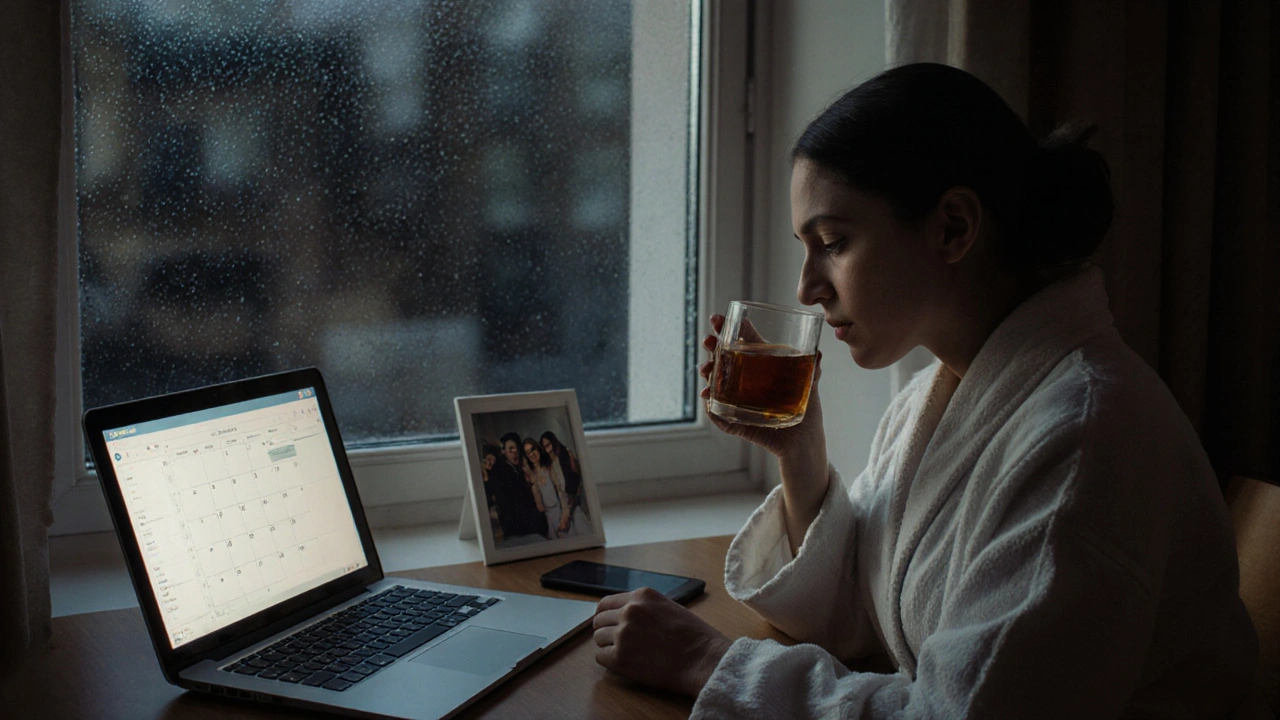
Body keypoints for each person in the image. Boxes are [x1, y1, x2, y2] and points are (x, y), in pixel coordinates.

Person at [591, 63, 1258, 717]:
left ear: (953, 228)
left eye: (833, 242)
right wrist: (800, 451)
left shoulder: (1084, 439)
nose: (807, 288)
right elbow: (865, 615)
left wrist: (710, 662)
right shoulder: (935, 397)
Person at [487, 432, 546, 543]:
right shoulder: (500, 472)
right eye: (511, 450)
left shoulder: (520, 468)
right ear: (504, 451)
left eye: (517, 449)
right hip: (516, 529)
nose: (515, 453)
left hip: (530, 525)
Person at [542, 430, 589, 534]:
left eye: (548, 445)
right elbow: (559, 489)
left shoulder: (566, 455)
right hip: (566, 501)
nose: (547, 449)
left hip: (577, 498)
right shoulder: (551, 465)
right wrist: (565, 513)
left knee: (582, 525)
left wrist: (568, 510)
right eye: (544, 447)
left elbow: (577, 477)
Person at [523, 437, 566, 540]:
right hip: (548, 517)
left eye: (533, 449)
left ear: (538, 448)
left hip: (561, 512)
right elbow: (539, 506)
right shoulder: (532, 475)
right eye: (528, 453)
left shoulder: (549, 466)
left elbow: (560, 490)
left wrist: (564, 516)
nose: (532, 454)